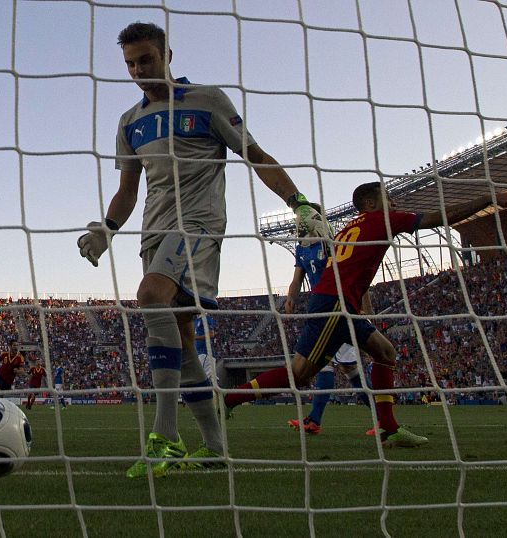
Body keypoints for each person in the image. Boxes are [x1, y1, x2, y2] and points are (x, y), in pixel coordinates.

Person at [77, 21, 327, 479]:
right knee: (183, 340)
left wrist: (300, 204)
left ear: (168, 54)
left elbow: (256, 155)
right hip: (154, 232)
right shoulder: (129, 122)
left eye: (146, 59)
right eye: (130, 63)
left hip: (199, 225)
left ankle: (165, 437)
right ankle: (214, 448)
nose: (138, 70)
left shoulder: (208, 101)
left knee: (150, 296)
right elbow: (128, 189)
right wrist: (106, 229)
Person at [223, 181, 507, 447]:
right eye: (388, 198)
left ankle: (389, 427)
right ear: (371, 204)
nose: (394, 203)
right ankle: (229, 398)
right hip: (334, 304)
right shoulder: (381, 219)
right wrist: (489, 197)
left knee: (385, 351)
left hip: (340, 303)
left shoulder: (353, 225)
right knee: (299, 374)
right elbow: (441, 217)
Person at [283, 203, 377, 436]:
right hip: (320, 311)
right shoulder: (302, 248)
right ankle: (313, 420)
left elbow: (353, 273)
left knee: (349, 368)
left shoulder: (332, 243)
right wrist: (291, 297)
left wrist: (365, 307)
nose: (299, 223)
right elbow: (297, 279)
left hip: (340, 307)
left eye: (303, 218)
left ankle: (382, 418)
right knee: (323, 367)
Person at [194, 313, 216, 383]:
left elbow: (211, 334)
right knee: (210, 380)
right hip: (199, 353)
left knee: (201, 378)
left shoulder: (206, 317)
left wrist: (195, 338)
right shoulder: (196, 320)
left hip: (206, 353)